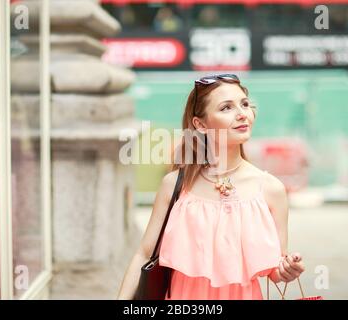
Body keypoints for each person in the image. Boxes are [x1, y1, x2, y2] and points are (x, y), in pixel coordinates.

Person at [117, 74, 305, 300]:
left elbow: (274, 269)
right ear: (200, 124)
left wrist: (286, 269)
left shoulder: (271, 189)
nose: (242, 114)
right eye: (226, 108)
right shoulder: (175, 185)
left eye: (245, 104)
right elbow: (144, 254)